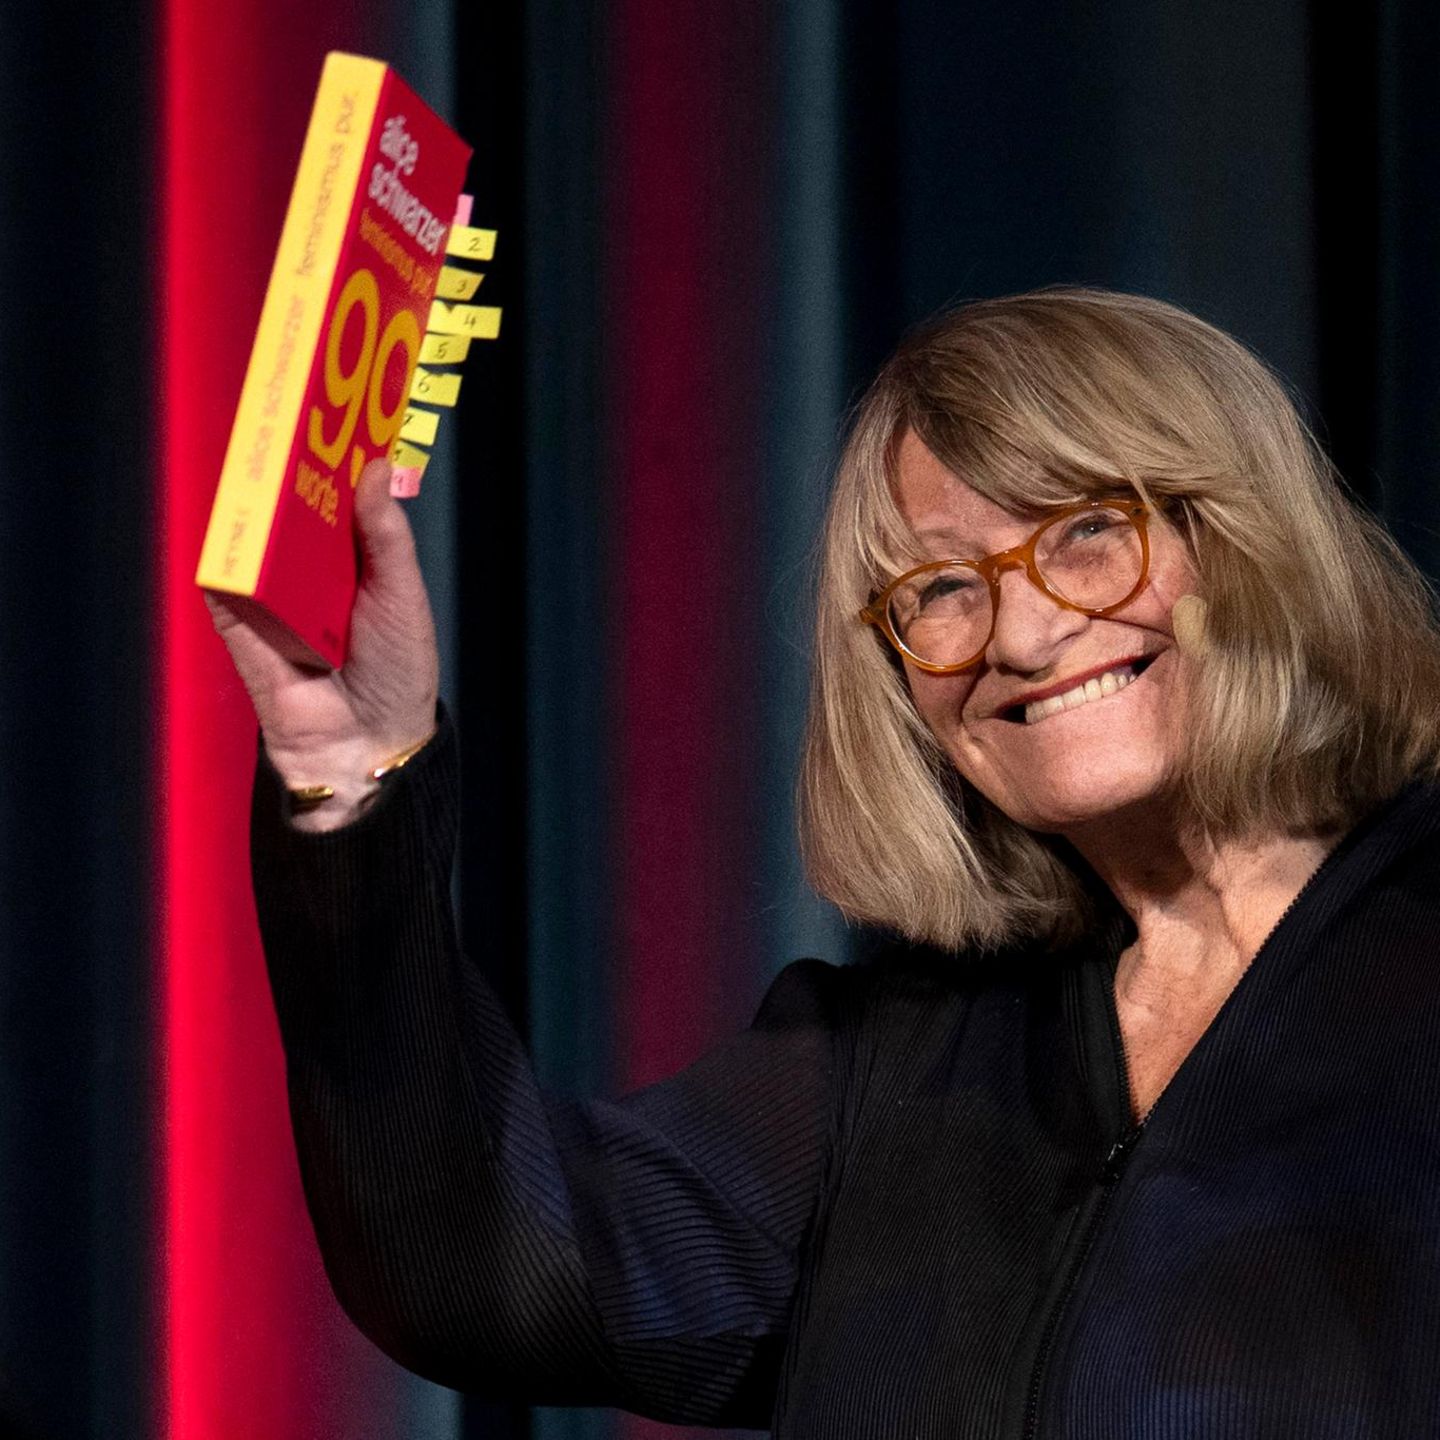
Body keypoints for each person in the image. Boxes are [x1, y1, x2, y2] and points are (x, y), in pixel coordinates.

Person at [215, 289, 1440, 1437]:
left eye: (1086, 534)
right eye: (943, 588)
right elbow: (490, 1266)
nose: (1022, 635)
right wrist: (351, 774)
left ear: (1246, 538)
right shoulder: (888, 1059)